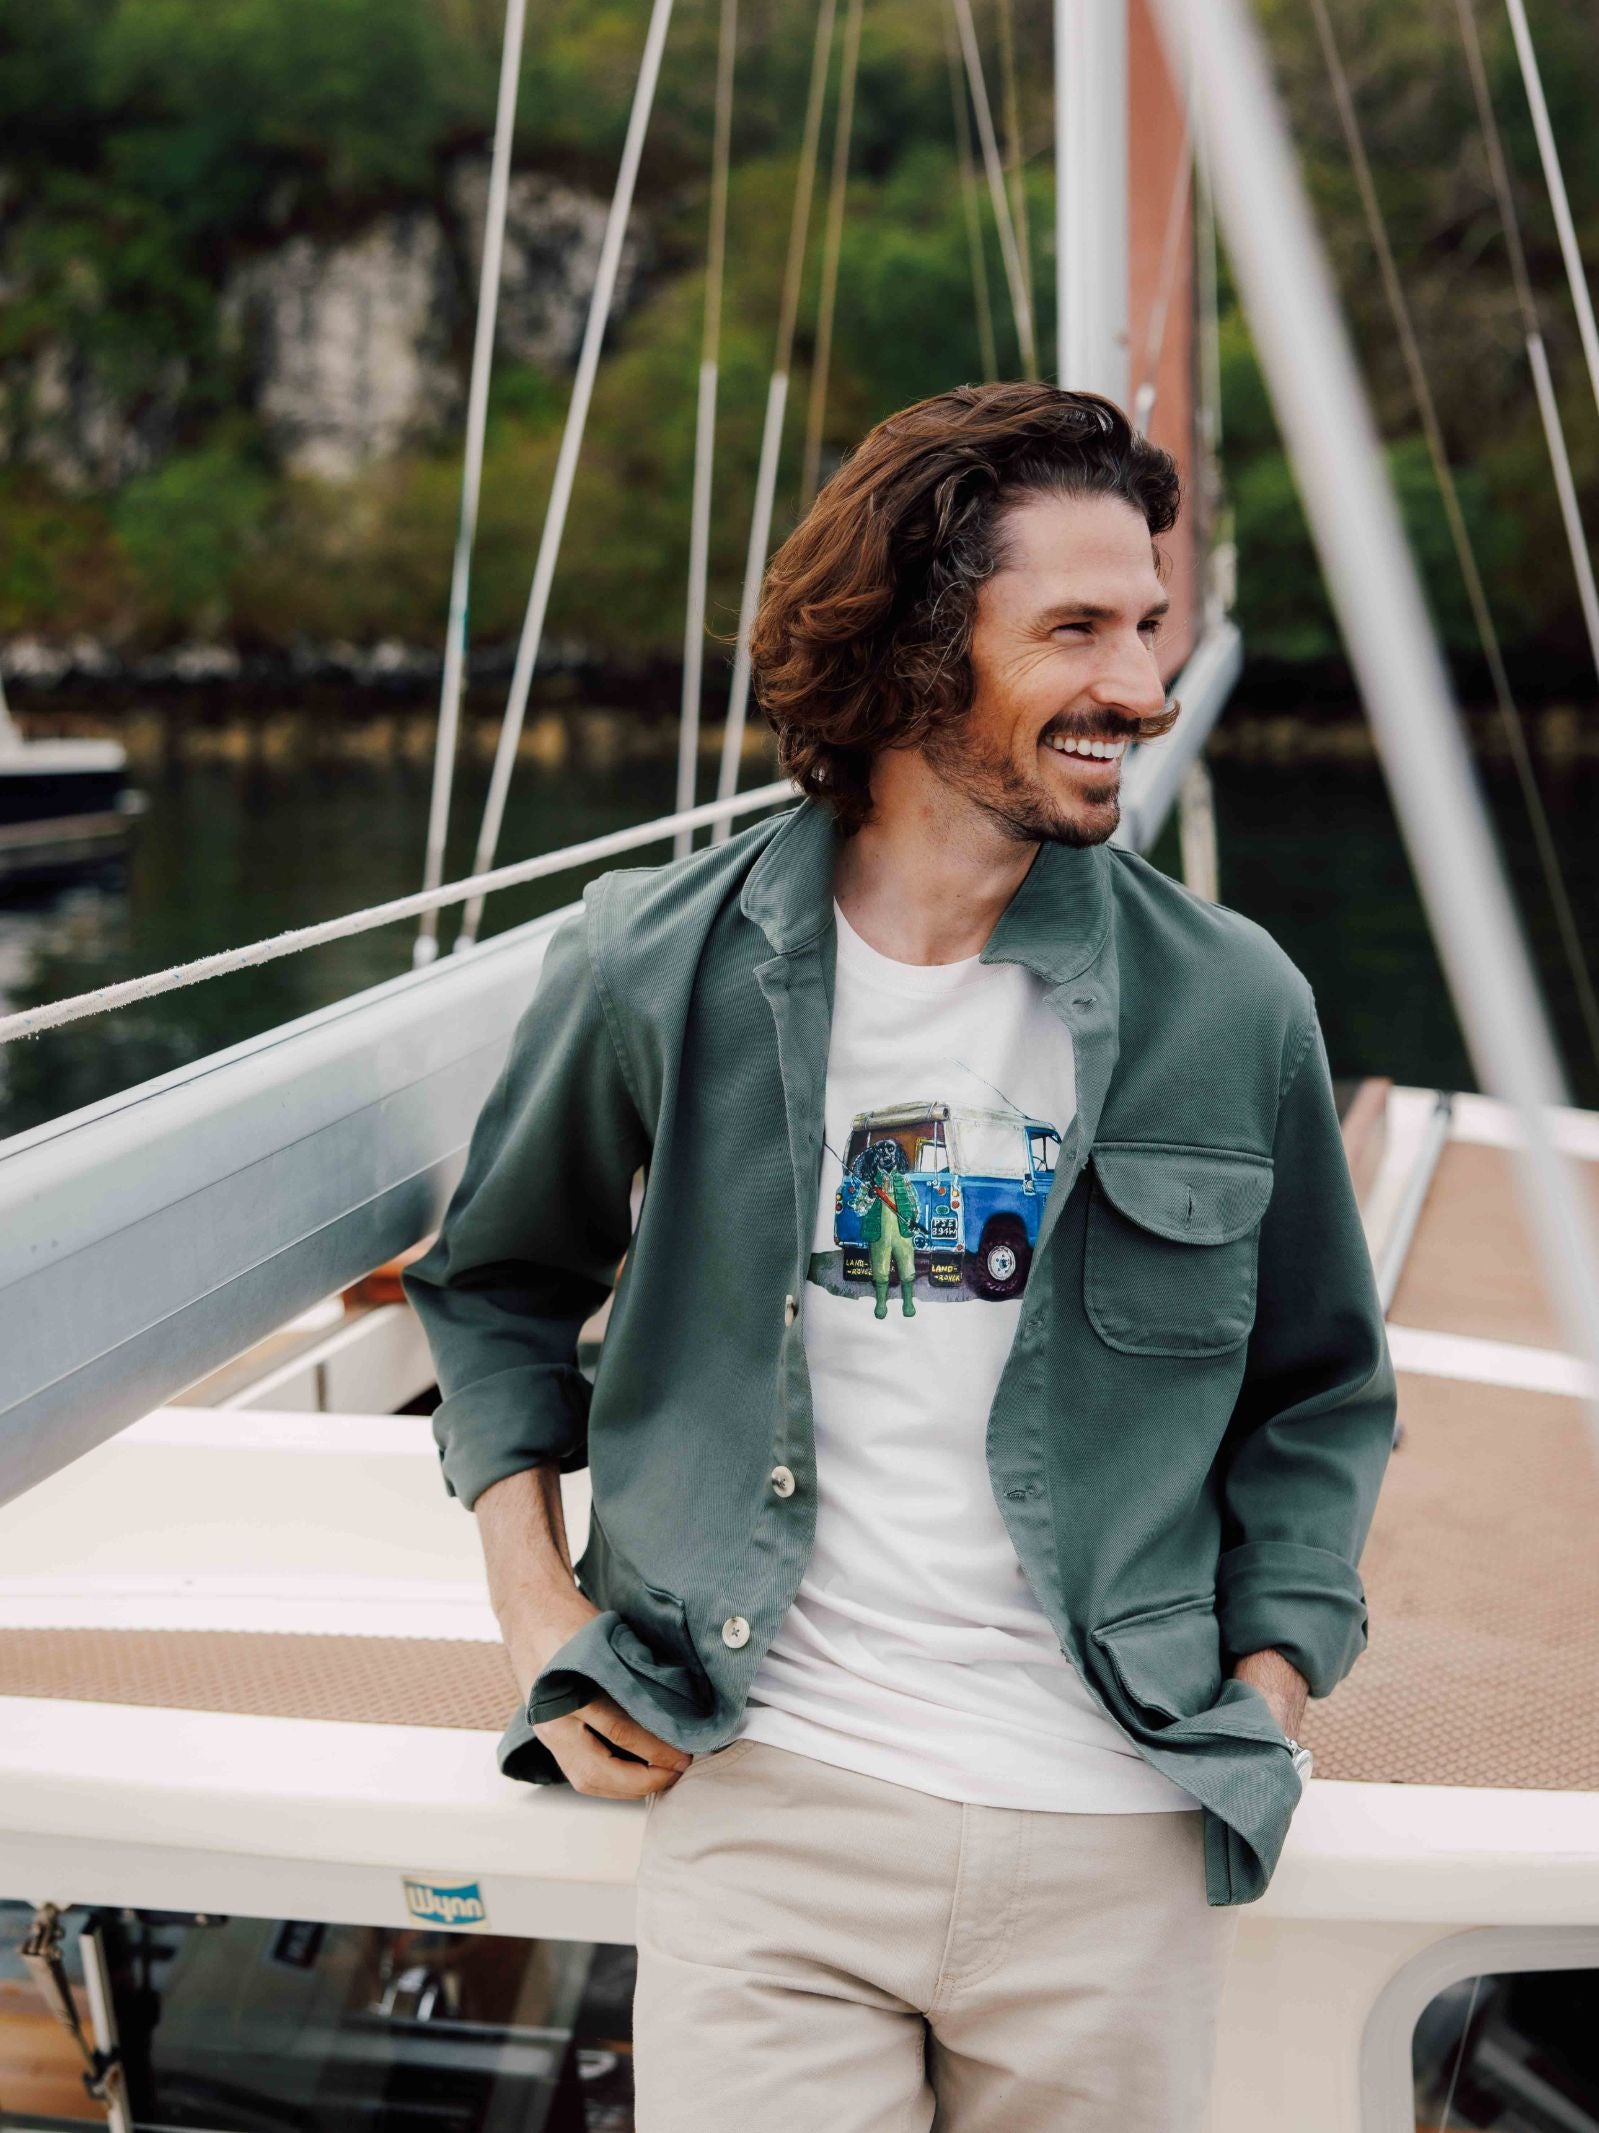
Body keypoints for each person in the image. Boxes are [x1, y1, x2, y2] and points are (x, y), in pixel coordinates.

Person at [402, 382, 1396, 2131]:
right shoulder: (658, 963)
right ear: (917, 648)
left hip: (1119, 1817)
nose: (1145, 690)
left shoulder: (1232, 1003)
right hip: (766, 1800)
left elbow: (1321, 1391)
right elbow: (492, 1283)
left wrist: (1268, 1683)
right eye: (1076, 629)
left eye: (1150, 627)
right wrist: (538, 1617)